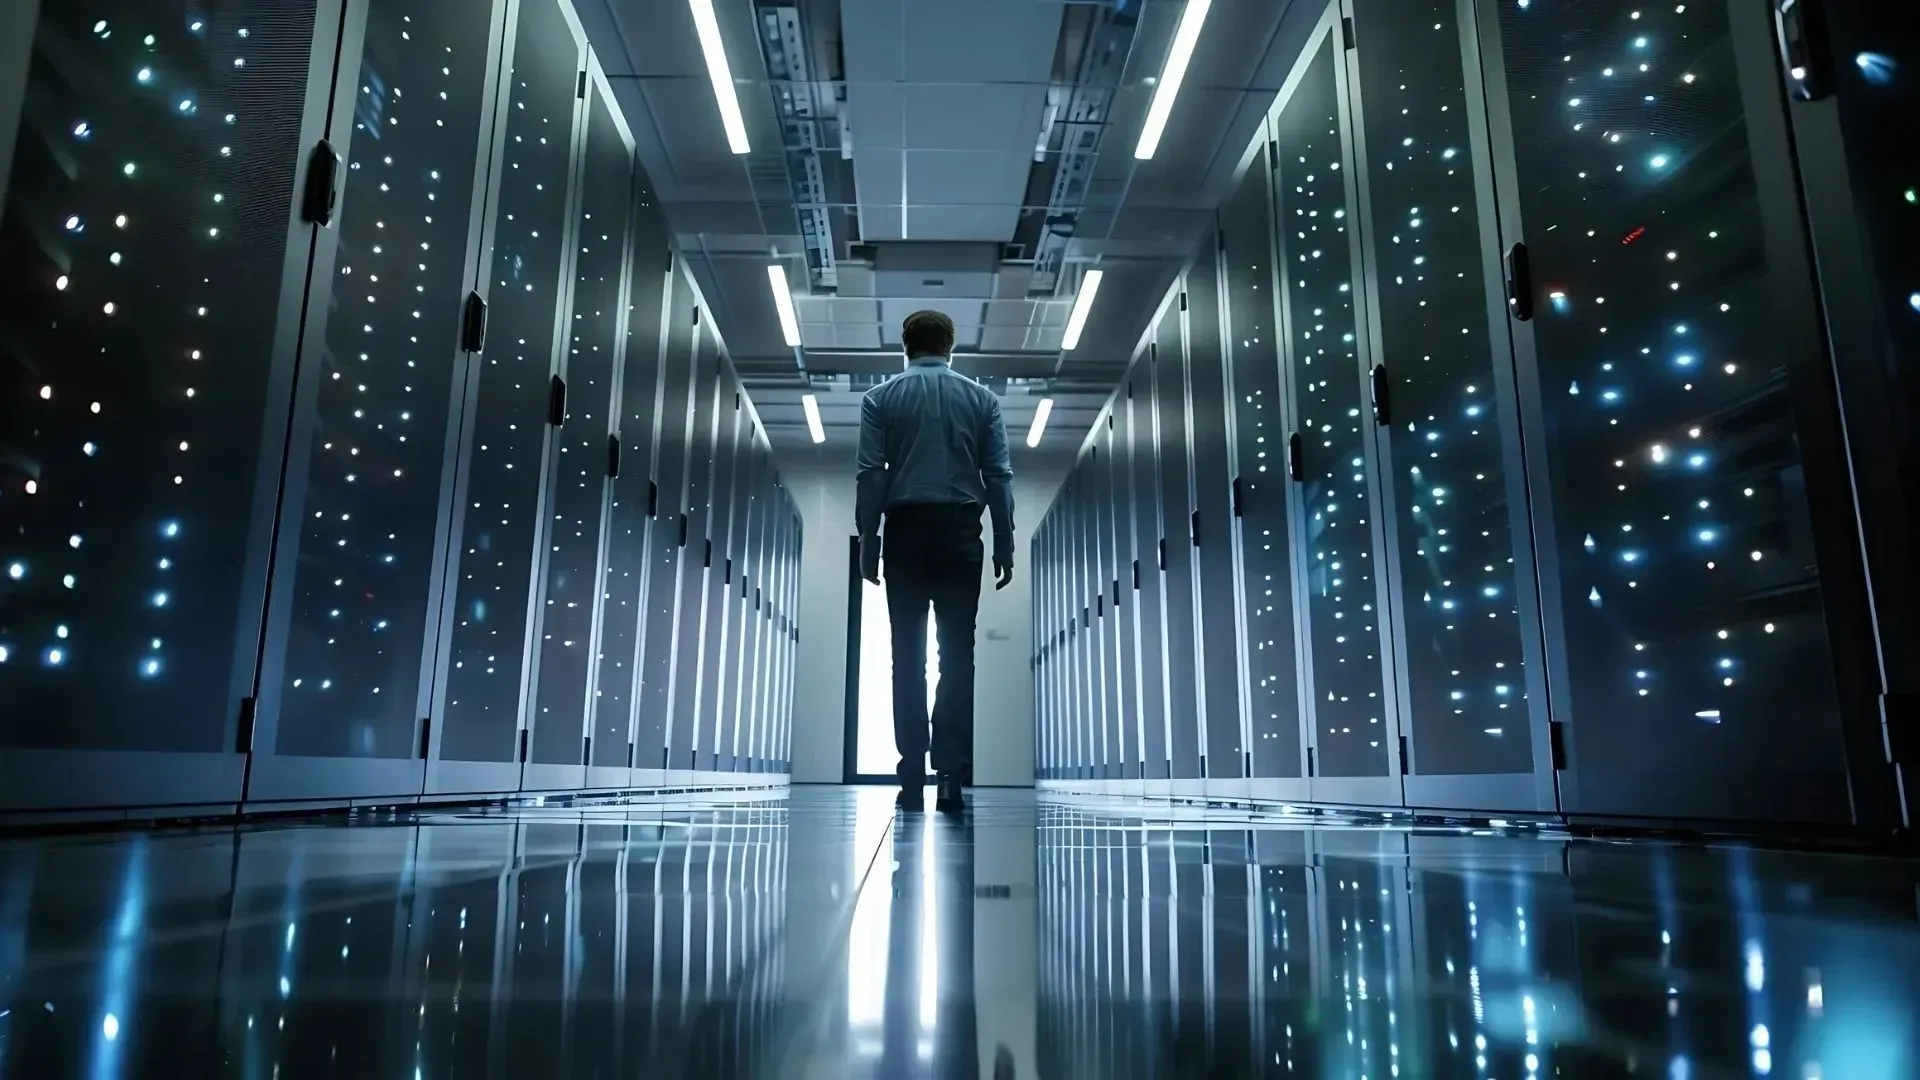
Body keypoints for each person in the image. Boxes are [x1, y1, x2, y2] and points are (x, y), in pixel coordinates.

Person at [856, 309, 1015, 815]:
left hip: (905, 533)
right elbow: (998, 476)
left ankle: (910, 777)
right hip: (961, 534)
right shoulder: (982, 400)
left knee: (906, 655)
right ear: (951, 346)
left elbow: (871, 475)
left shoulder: (880, 398)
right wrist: (1005, 539)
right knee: (957, 656)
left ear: (904, 346)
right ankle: (950, 776)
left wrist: (868, 538)